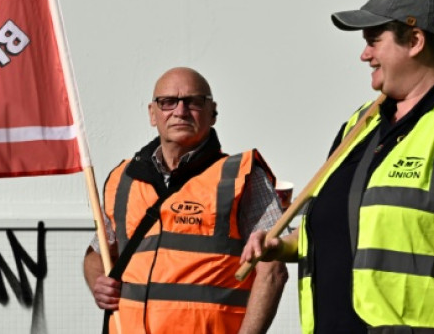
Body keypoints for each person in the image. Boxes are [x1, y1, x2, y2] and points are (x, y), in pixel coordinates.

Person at [242, 0, 434, 334]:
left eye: (374, 41)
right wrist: (281, 246)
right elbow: (342, 229)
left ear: (415, 41)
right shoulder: (358, 127)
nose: (365, 55)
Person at [83, 67, 288, 334]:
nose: (180, 111)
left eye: (192, 101)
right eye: (167, 102)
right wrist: (98, 282)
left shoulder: (242, 176)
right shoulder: (123, 179)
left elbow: (272, 269)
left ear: (212, 112)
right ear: (152, 114)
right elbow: (96, 254)